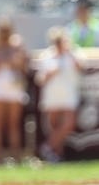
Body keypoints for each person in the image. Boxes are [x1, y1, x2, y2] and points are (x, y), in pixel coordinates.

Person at [0, 19, 30, 163]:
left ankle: (15, 156)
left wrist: (15, 61)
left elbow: (24, 68)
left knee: (14, 124)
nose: (4, 34)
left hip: (14, 87)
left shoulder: (17, 45)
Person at [34, 27, 82, 163]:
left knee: (68, 124)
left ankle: (46, 148)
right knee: (55, 127)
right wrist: (49, 74)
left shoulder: (72, 54)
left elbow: (80, 68)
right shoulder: (47, 56)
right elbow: (40, 79)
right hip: (52, 96)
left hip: (69, 95)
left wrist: (70, 54)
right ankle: (56, 155)